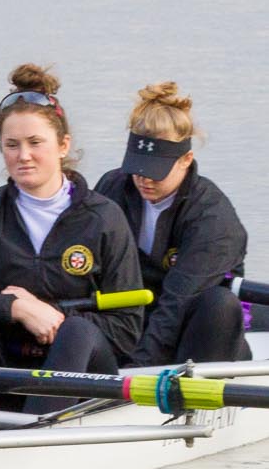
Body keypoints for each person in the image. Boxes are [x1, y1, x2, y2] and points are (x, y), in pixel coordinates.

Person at [0, 64, 143, 408]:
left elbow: (127, 329)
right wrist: (15, 307)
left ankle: (36, 435)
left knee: (76, 333)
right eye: (11, 144)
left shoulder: (104, 218)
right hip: (8, 366)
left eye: (35, 143)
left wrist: (54, 317)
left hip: (86, 370)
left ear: (63, 145)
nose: (23, 156)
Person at [94, 81, 249, 365]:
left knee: (220, 304)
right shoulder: (112, 188)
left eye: (155, 171)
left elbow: (176, 305)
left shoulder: (213, 219)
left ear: (186, 159)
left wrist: (134, 375)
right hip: (131, 322)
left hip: (196, 334)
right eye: (137, 168)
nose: (144, 179)